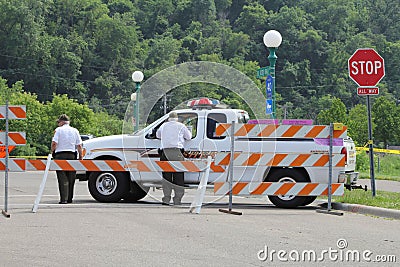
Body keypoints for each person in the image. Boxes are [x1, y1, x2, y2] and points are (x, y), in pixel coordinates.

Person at [156, 111, 192, 205]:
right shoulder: (181, 126)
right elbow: (189, 137)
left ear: (168, 118)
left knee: (166, 177)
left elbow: (157, 135)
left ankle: (166, 199)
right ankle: (177, 199)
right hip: (177, 152)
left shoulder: (164, 126)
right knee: (178, 176)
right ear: (177, 119)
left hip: (165, 152)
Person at [51, 114, 83, 204]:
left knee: (62, 177)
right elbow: (79, 145)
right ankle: (69, 198)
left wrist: (51, 152)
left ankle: (63, 199)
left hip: (60, 155)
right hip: (72, 155)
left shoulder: (58, 130)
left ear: (61, 122)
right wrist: (81, 157)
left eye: (58, 122)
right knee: (71, 178)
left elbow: (54, 143)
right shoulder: (75, 130)